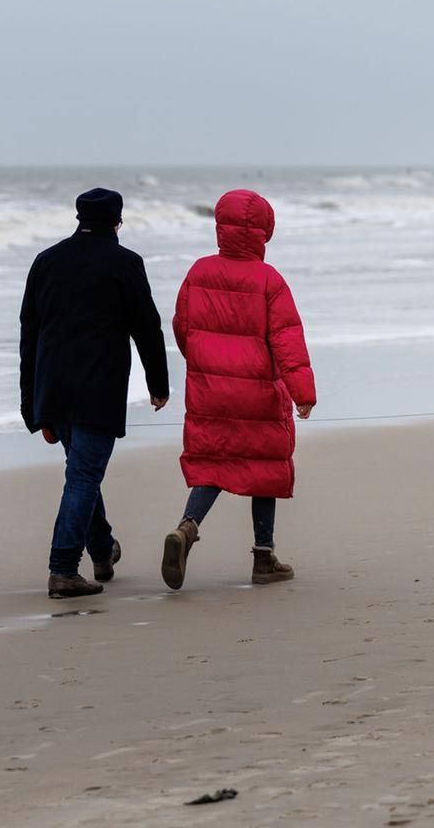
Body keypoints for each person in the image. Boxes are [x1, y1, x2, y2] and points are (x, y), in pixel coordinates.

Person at [161, 189, 316, 590]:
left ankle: (187, 527)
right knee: (262, 466)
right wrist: (303, 393)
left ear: (221, 229)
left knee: (213, 461)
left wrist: (204, 360)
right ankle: (263, 558)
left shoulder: (198, 272)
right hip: (258, 390)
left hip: (210, 388)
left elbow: (182, 326)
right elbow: (287, 341)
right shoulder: (270, 280)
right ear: (264, 232)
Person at [19, 187, 170, 599]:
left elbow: (28, 334)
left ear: (78, 217)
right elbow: (147, 328)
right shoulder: (125, 263)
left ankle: (103, 551)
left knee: (82, 473)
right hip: (97, 390)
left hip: (52, 389)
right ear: (117, 222)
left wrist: (30, 402)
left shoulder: (46, 262)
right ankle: (63, 568)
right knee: (83, 477)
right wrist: (159, 385)